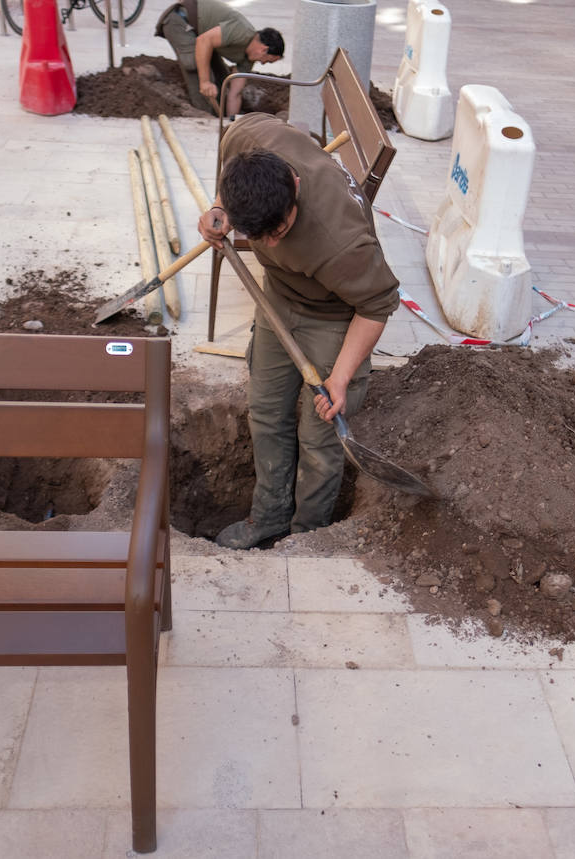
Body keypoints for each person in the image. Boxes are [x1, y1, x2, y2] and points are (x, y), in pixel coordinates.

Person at [198, 114, 400, 549]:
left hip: (335, 315)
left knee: (319, 435)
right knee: (266, 411)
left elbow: (378, 304)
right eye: (258, 235)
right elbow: (229, 167)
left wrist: (341, 377)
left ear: (294, 184)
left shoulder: (340, 244)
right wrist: (218, 209)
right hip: (278, 300)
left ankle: (305, 538)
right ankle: (268, 517)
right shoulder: (249, 139)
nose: (269, 244)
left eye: (280, 231)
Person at [154, 0, 284, 116]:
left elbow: (235, 93)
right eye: (266, 60)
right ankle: (204, 115)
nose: (262, 63)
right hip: (180, 21)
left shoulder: (247, 61)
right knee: (195, 65)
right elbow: (204, 41)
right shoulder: (241, 31)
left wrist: (231, 122)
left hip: (202, 32)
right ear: (264, 49)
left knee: (224, 78)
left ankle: (218, 114)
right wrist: (205, 82)